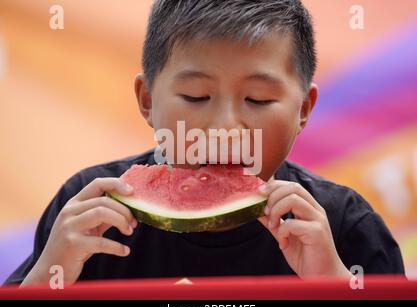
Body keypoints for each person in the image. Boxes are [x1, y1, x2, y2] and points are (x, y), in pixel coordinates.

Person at [5, 0, 404, 286]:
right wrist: (49, 276)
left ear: (303, 108)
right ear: (147, 101)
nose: (224, 125)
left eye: (258, 100)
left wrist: (330, 282)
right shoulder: (89, 213)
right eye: (196, 96)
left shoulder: (347, 228)